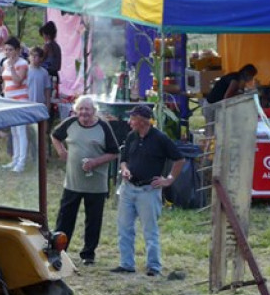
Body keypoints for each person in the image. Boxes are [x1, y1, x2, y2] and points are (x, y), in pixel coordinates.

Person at [112, 104, 185, 277]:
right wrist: (125, 169)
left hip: (148, 190)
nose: (129, 122)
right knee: (124, 227)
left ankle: (154, 266)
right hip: (129, 188)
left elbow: (179, 159)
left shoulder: (160, 138)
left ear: (142, 121)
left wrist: (169, 179)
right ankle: (126, 264)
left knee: (149, 229)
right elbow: (124, 159)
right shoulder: (132, 136)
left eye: (132, 118)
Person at [51, 96, 120, 266]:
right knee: (65, 218)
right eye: (80, 109)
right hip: (73, 182)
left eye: (87, 109)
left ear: (94, 111)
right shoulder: (70, 123)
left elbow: (114, 152)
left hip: (96, 184)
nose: (83, 113)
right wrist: (61, 151)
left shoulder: (103, 126)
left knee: (93, 220)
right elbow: (55, 136)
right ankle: (59, 251)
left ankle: (88, 254)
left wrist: (95, 162)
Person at [1, 36, 30, 172]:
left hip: (20, 99)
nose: (7, 52)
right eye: (6, 50)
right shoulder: (5, 63)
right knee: (14, 131)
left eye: (10, 50)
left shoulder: (23, 63)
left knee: (21, 131)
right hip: (9, 99)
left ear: (17, 50)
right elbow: (5, 80)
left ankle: (22, 162)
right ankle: (15, 158)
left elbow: (18, 81)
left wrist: (12, 68)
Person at [39, 20, 62, 100]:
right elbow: (58, 66)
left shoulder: (47, 46)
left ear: (47, 35)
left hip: (48, 75)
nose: (43, 38)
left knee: (47, 98)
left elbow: (41, 59)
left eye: (43, 35)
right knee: (53, 98)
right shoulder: (57, 46)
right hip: (55, 75)